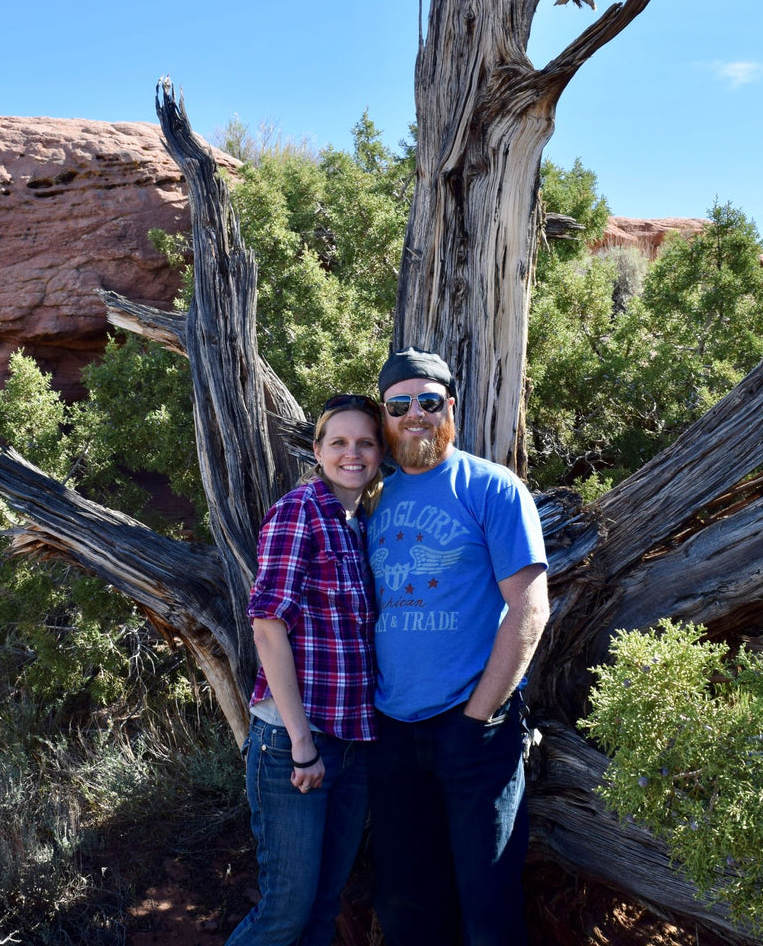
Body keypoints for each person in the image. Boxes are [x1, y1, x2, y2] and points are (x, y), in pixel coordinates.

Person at [365, 347, 550, 946]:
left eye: (427, 401)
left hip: (476, 729)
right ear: (385, 416)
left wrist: (477, 718)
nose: (413, 414)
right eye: (399, 404)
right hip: (390, 731)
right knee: (405, 907)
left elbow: (530, 606)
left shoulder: (492, 487)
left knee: (488, 909)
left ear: (450, 406)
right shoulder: (370, 500)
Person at [226, 393, 385, 946]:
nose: (353, 453)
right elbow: (268, 625)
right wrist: (301, 743)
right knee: (284, 915)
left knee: (321, 909)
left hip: (353, 744)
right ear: (316, 450)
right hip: (295, 744)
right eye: (339, 442)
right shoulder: (300, 511)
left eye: (365, 442)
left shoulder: (360, 523)